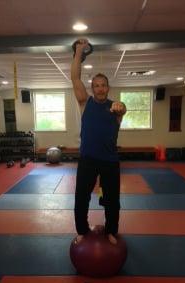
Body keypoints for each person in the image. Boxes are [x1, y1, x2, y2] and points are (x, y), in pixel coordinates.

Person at [71, 39, 126, 245]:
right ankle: (82, 231)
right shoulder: (86, 103)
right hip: (88, 160)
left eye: (103, 85)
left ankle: (112, 231)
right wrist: (78, 52)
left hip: (110, 161)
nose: (100, 89)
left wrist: (122, 108)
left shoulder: (116, 107)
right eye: (96, 86)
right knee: (81, 198)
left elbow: (123, 109)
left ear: (108, 87)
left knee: (112, 200)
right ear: (92, 88)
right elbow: (75, 77)